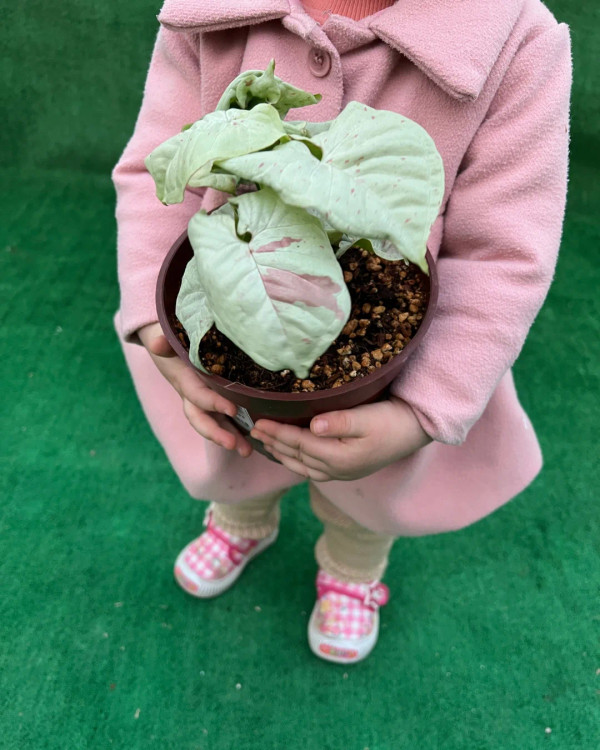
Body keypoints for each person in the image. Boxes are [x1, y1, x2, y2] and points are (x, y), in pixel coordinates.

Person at [112, 0, 572, 664]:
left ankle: (353, 568)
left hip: (399, 365)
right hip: (229, 310)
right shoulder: (210, 12)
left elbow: (504, 259)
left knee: (370, 489)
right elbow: (157, 173)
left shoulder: (515, 41)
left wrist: (421, 414)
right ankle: (242, 518)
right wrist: (154, 324)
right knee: (233, 449)